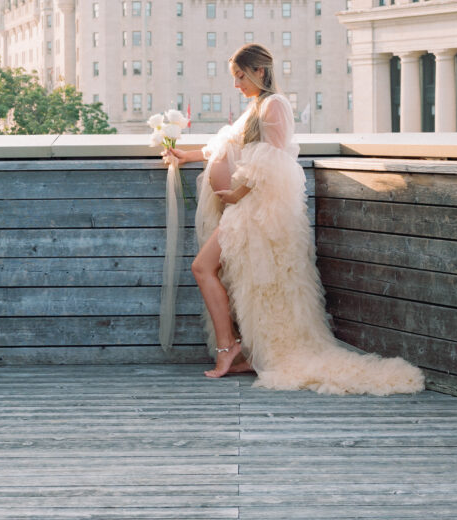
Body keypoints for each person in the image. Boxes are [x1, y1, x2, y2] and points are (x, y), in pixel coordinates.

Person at [164, 43, 424, 395]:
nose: (236, 83)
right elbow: (226, 147)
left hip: (256, 212)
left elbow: (275, 162)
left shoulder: (275, 104)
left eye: (241, 75)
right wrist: (185, 155)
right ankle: (239, 348)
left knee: (204, 268)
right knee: (235, 280)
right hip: (244, 211)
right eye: (234, 76)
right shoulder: (256, 106)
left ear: (260, 71)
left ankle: (229, 349)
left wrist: (237, 195)